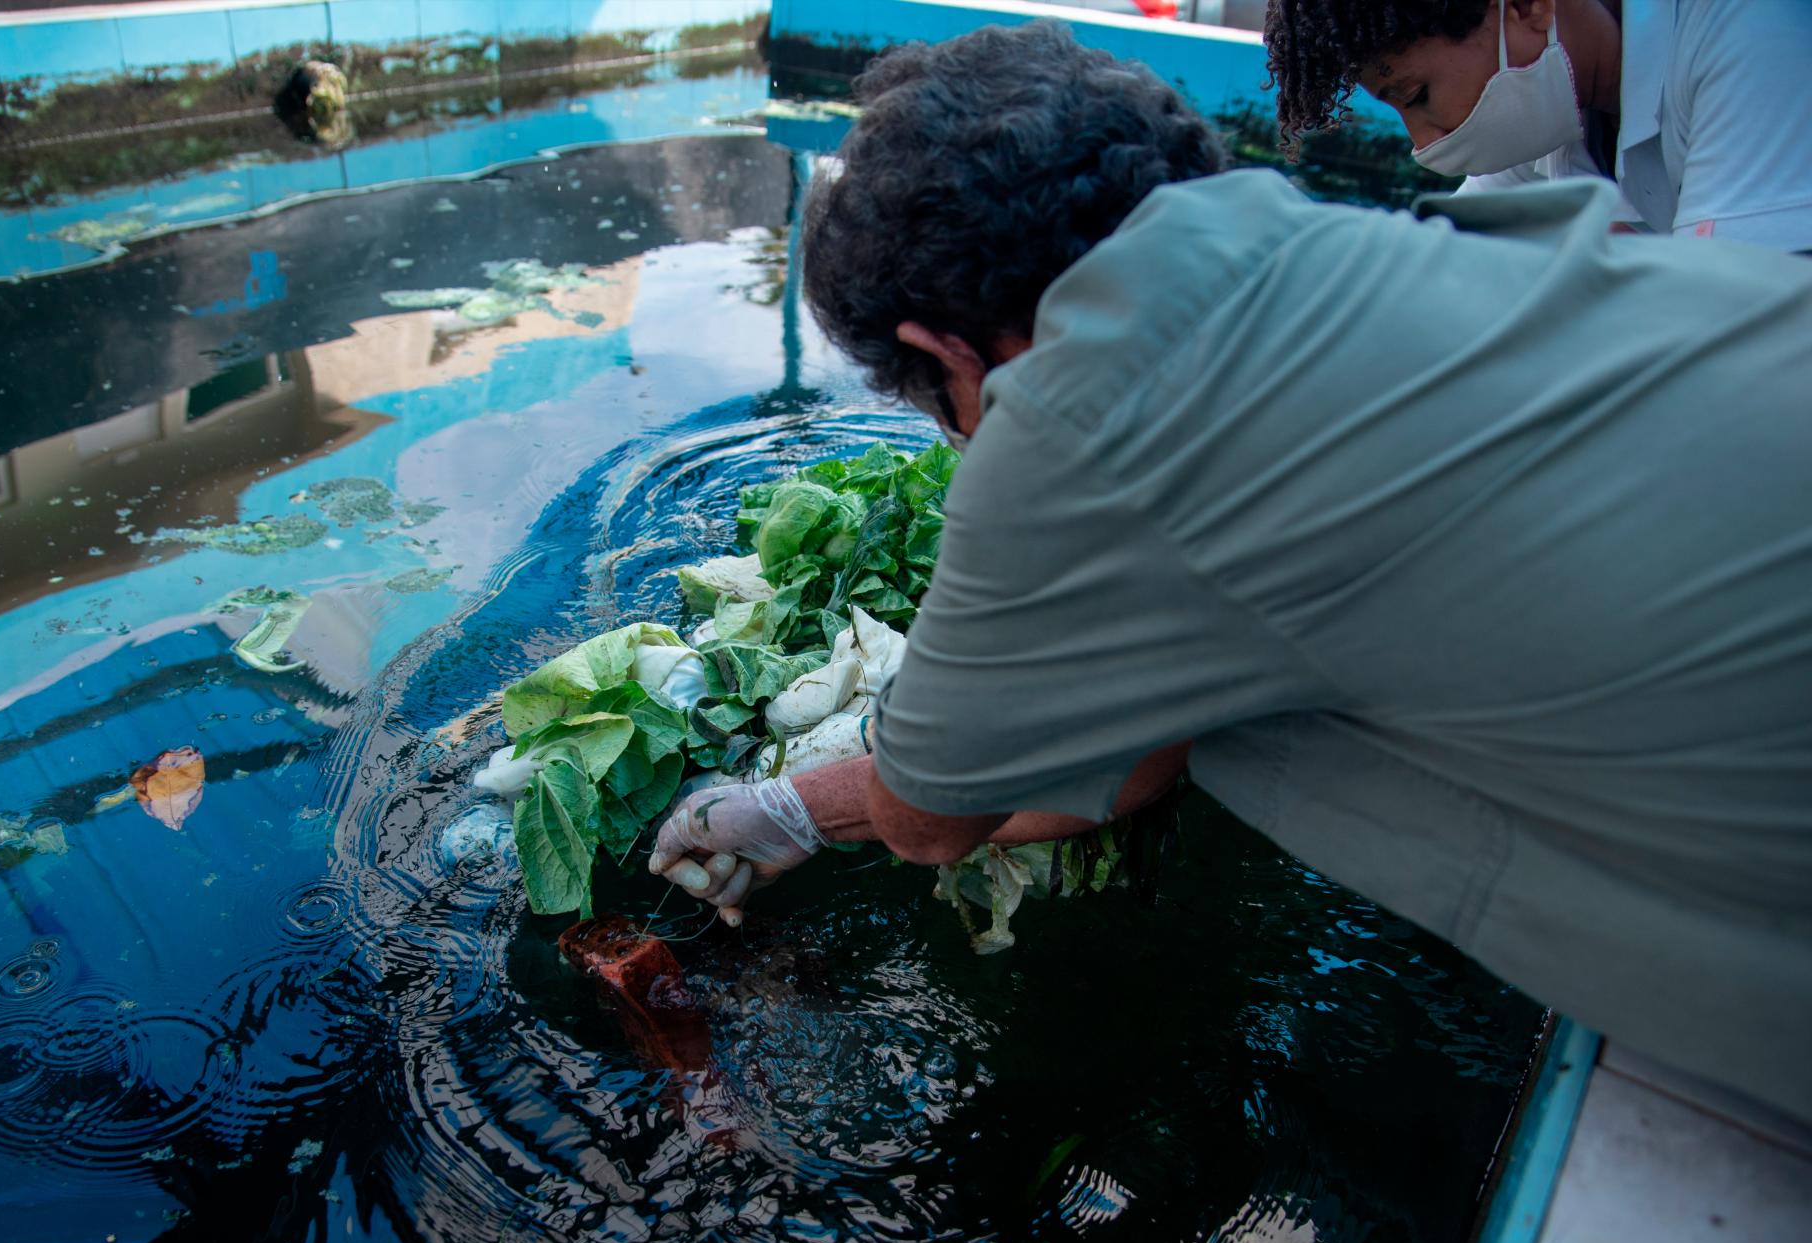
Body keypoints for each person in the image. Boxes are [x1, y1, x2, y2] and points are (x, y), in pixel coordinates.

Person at [645, 20, 1812, 1121]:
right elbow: (1143, 758)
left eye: (941, 408)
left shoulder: (1076, 420)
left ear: (939, 348)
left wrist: (786, 802)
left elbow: (931, 819)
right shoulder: (1366, 245)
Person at [1263, 0, 1812, 249]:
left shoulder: (1753, 34)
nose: (1424, 142)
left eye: (1416, 95)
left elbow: (1727, 324)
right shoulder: (1553, 110)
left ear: (1529, 8)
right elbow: (1439, 266)